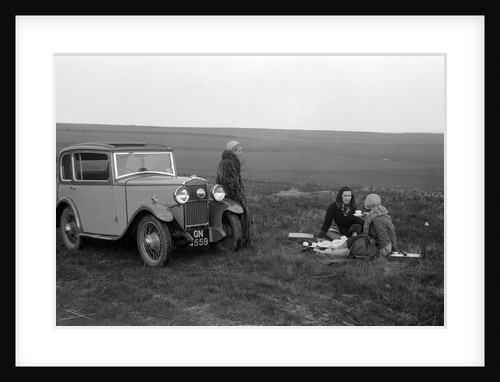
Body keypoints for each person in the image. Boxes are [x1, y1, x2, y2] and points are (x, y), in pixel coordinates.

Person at [216, 140, 252, 246]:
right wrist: (238, 191)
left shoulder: (227, 161)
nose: (241, 153)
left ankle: (239, 237)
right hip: (231, 193)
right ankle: (243, 238)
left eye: (241, 151)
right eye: (239, 151)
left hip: (226, 192)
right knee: (244, 212)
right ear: (233, 151)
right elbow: (230, 181)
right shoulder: (229, 163)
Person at [362, 193, 398, 258]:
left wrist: (384, 255)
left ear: (371, 207)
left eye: (367, 208)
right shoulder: (382, 215)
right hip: (379, 245)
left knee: (357, 247)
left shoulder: (377, 219)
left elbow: (384, 240)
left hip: (386, 250)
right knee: (356, 241)